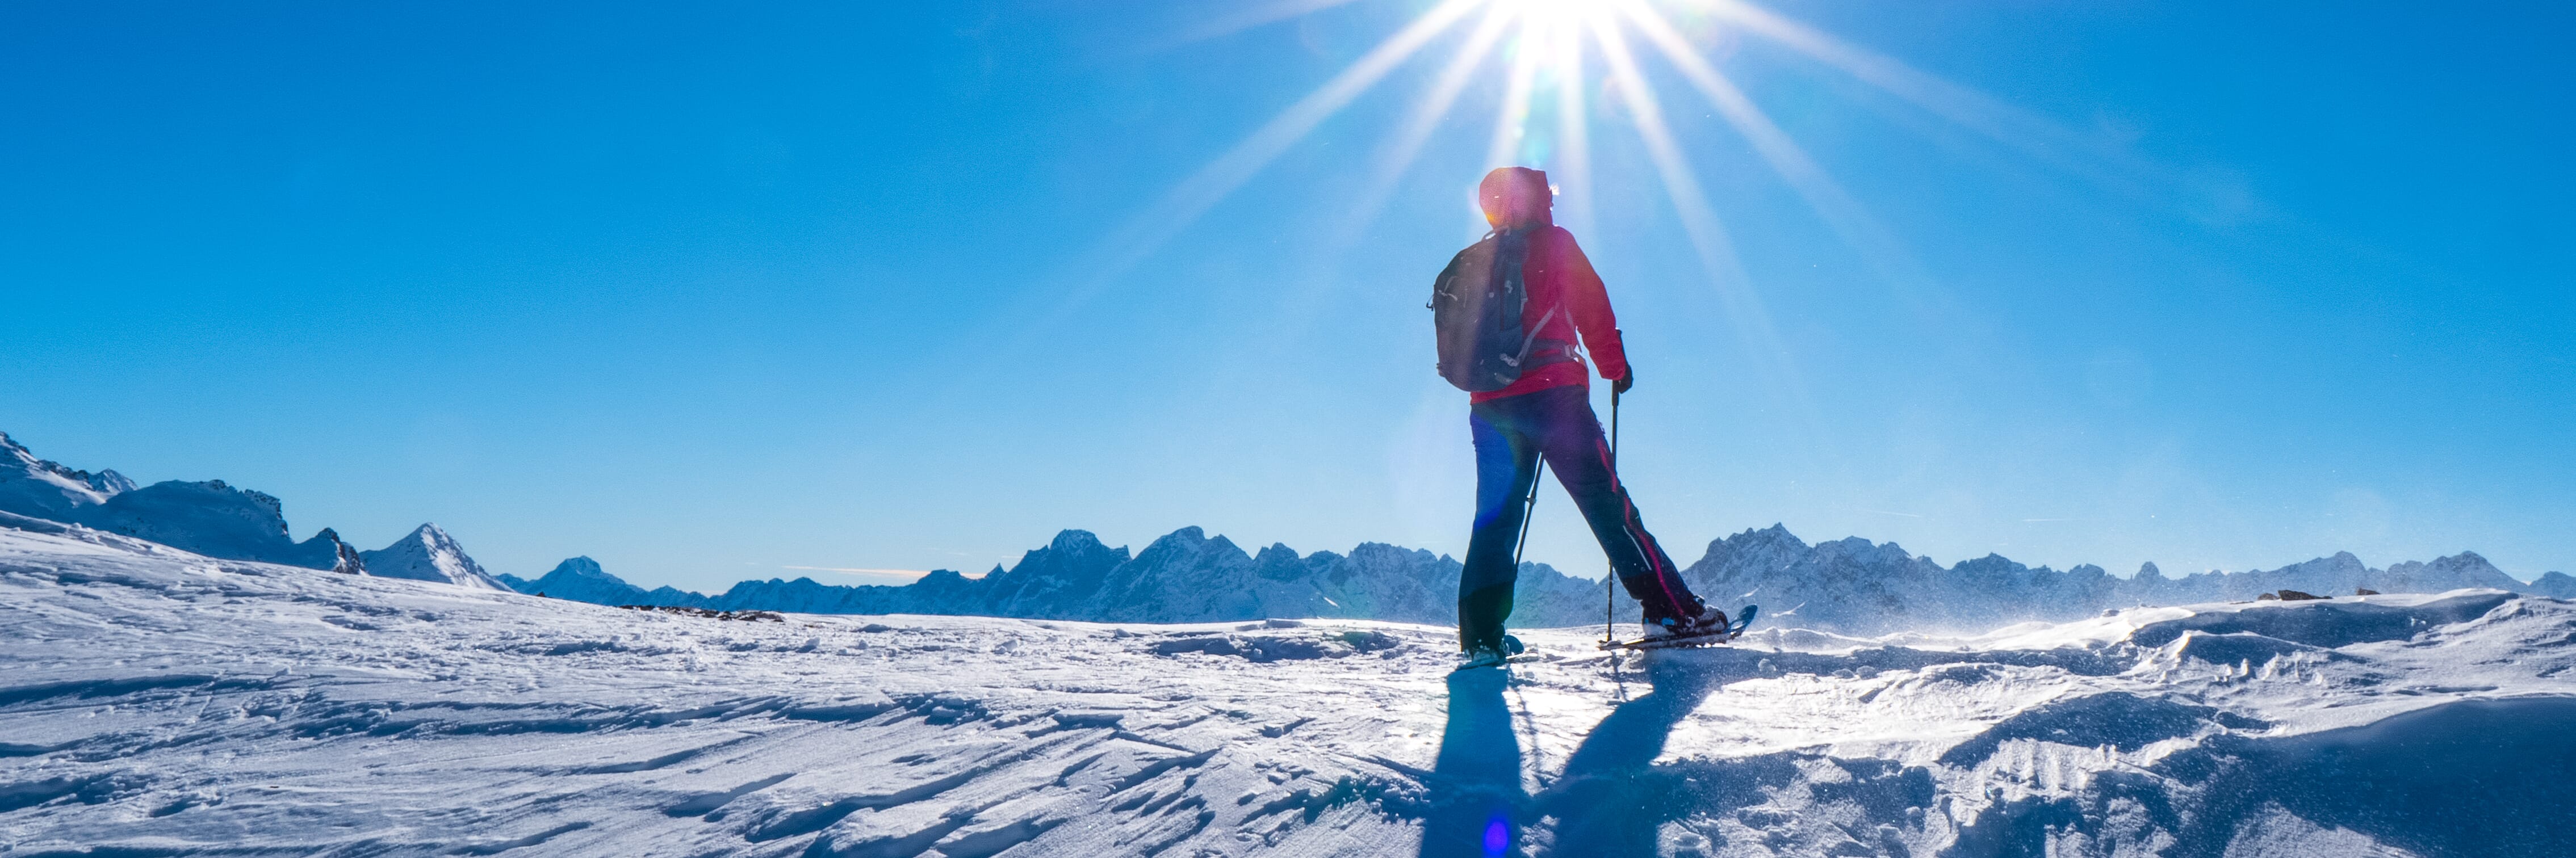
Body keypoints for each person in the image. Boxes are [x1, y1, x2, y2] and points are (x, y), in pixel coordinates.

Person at [1448, 166, 1723, 666]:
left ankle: (1481, 640)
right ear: (1535, 200)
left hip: (1489, 408)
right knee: (1607, 506)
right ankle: (1672, 613)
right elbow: (1592, 308)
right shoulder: (1554, 244)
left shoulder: (1477, 258)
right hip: (1554, 399)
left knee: (1494, 521)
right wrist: (1615, 369)